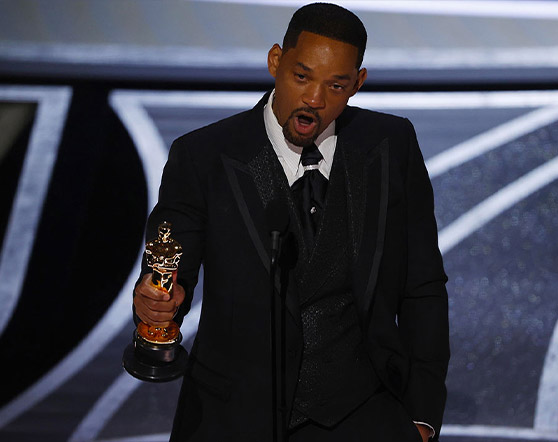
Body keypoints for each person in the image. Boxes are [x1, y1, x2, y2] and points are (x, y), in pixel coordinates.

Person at [133, 3, 449, 441]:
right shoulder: (203, 155)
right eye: (302, 77)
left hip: (365, 417)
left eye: (336, 85)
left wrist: (422, 414)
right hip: (234, 419)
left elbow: (423, 285)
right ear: (275, 61)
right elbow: (169, 269)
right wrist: (157, 302)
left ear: (357, 83)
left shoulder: (392, 144)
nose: (315, 100)